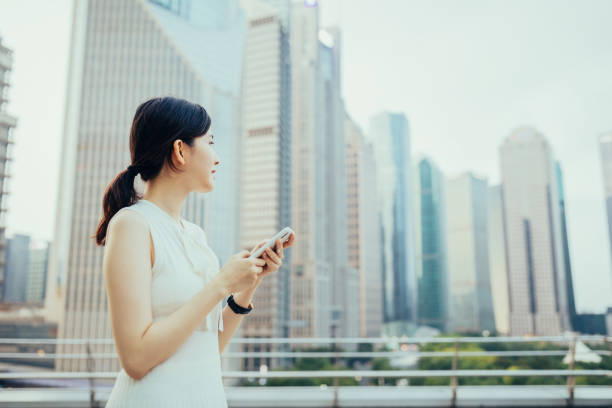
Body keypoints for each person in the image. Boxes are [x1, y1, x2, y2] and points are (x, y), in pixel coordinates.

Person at [94, 96, 295, 407]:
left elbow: (205, 347)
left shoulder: (196, 236)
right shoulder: (132, 225)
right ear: (179, 151)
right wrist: (221, 285)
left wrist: (246, 288)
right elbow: (135, 359)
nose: (217, 158)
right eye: (210, 143)